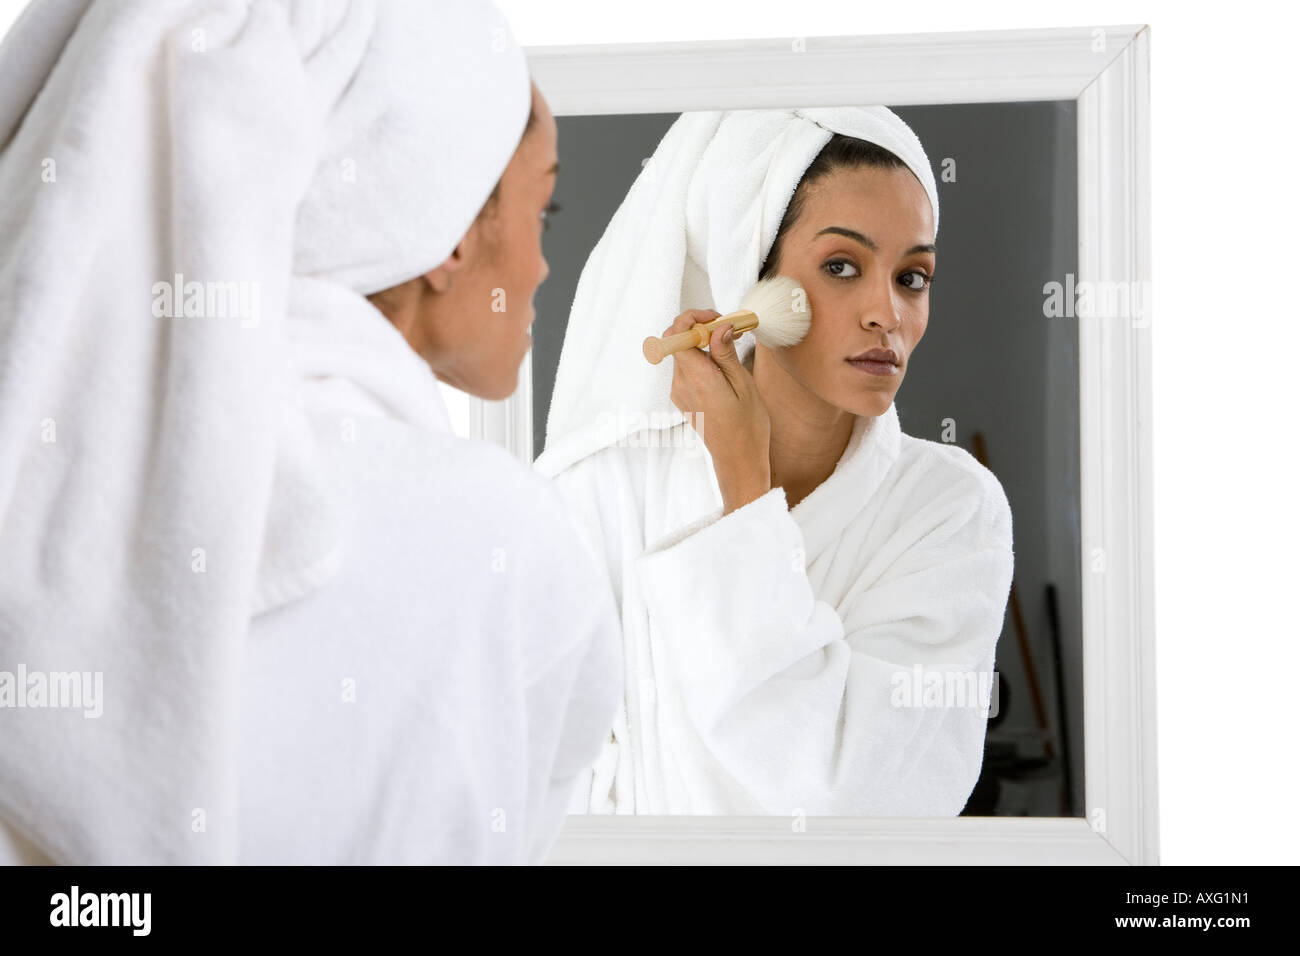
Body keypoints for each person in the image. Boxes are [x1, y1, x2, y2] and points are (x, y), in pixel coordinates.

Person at [0, 0, 618, 865]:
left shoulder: (43, 459)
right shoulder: (501, 542)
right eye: (541, 210)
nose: (542, 264)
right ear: (446, 230)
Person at [535, 108, 1015, 816]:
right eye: (842, 267)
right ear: (749, 283)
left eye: (913, 277)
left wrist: (743, 484)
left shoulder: (948, 507)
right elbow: (554, 787)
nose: (887, 312)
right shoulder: (603, 491)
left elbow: (866, 799)